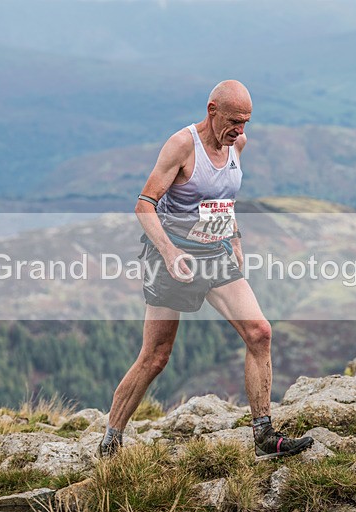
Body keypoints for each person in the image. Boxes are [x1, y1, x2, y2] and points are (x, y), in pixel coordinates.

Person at [99, 80, 313, 460]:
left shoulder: (237, 146)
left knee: (259, 332)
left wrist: (235, 241)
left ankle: (263, 433)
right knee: (156, 356)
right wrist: (167, 252)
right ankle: (111, 440)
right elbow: (145, 204)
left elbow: (223, 198)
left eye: (246, 122)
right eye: (233, 121)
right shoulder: (182, 146)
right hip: (173, 258)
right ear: (212, 110)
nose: (240, 131)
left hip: (215, 253)